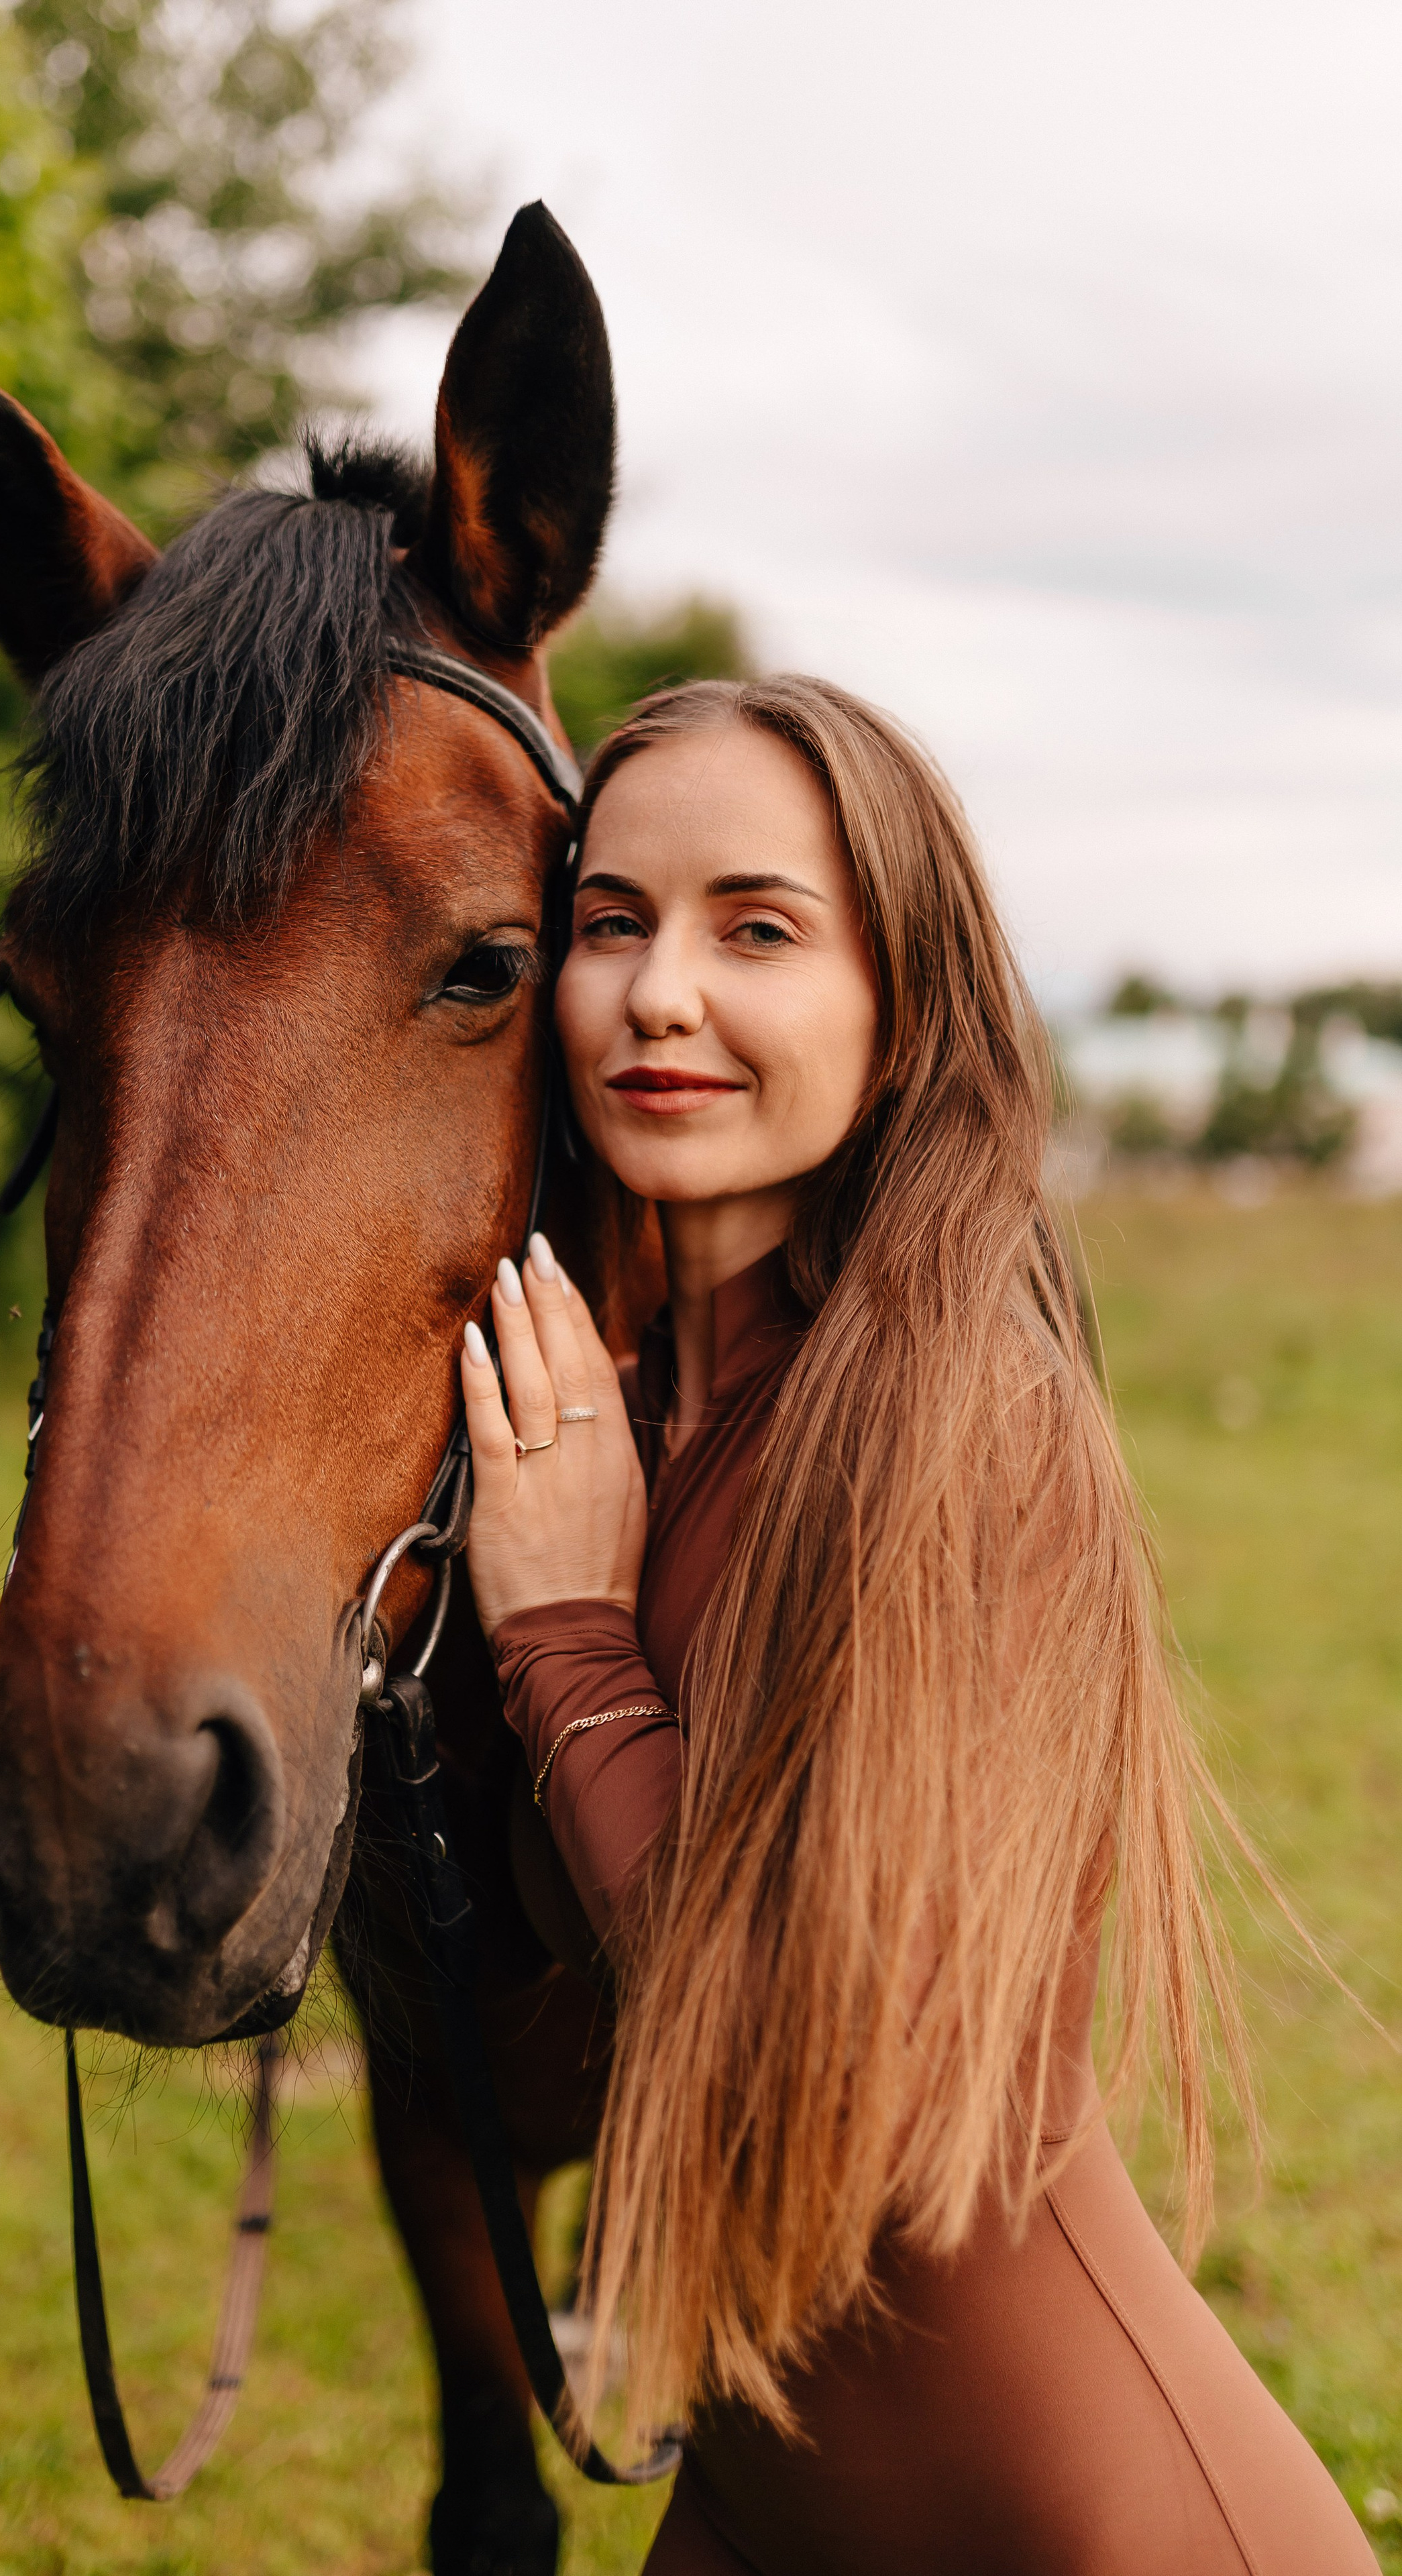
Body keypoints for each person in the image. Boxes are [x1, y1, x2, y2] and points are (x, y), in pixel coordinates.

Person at [454, 678, 1375, 2576]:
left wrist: (560, 1633)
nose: (660, 993)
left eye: (759, 928)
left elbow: (837, 2070)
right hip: (760, 2496)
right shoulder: (616, 1423)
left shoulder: (964, 1421)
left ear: (904, 1004)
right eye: (609, 921)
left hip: (1082, 2523)